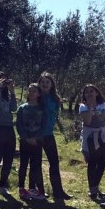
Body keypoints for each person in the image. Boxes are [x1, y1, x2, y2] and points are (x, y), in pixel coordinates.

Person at [38, 72, 71, 200]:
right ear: (39, 83)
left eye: (47, 82)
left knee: (54, 163)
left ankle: (58, 191)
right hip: (37, 134)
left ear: (52, 84)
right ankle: (39, 191)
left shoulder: (55, 98)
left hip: (49, 134)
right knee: (36, 163)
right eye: (42, 82)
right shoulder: (37, 97)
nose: (45, 84)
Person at [79, 84, 105, 202]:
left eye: (91, 91)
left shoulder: (103, 106)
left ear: (97, 93)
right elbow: (87, 122)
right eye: (86, 92)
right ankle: (92, 189)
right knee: (93, 161)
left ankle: (95, 186)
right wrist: (89, 107)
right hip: (90, 136)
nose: (89, 94)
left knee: (103, 161)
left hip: (102, 135)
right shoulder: (83, 107)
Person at [16, 84, 46, 201]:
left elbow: (44, 125)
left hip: (37, 141)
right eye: (30, 91)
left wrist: (36, 138)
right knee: (23, 164)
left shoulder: (42, 109)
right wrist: (26, 137)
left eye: (34, 91)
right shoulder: (22, 108)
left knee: (36, 165)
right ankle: (21, 188)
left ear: (39, 94)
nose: (32, 93)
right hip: (25, 141)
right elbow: (19, 125)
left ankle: (33, 189)